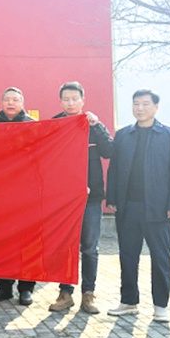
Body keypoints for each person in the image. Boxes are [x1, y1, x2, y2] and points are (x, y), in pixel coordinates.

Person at [105, 89, 170, 323]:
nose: (140, 108)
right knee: (128, 256)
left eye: (145, 104)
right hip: (128, 207)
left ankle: (161, 306)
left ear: (156, 107)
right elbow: (114, 169)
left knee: (160, 258)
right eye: (136, 104)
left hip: (158, 208)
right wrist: (112, 198)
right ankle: (129, 301)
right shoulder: (123, 135)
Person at [48, 82, 113, 314]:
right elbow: (47, 160)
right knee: (66, 247)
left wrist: (98, 126)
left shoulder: (92, 124)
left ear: (83, 100)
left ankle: (88, 294)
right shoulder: (54, 125)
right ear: (60, 101)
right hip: (64, 199)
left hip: (91, 198)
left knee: (90, 248)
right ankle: (65, 293)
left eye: (75, 98)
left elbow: (109, 151)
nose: (70, 103)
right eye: (66, 99)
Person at [0, 87, 37, 306]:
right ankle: (4, 287)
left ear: (22, 103)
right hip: (0, 194)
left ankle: (26, 288)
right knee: (2, 242)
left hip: (26, 194)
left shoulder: (34, 126)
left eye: (15, 99)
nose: (11, 103)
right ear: (1, 103)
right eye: (7, 99)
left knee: (27, 243)